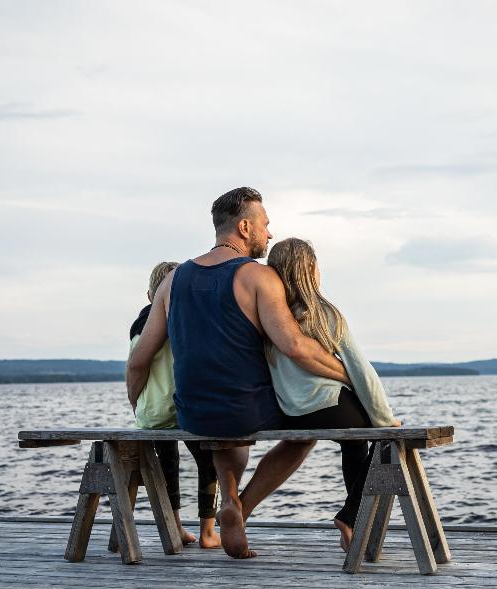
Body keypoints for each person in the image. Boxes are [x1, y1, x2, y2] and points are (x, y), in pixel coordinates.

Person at [126, 187, 350, 558]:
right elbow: (294, 346)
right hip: (248, 409)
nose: (270, 234)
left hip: (193, 412)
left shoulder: (172, 280)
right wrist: (346, 373)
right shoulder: (257, 278)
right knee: (303, 432)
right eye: (265, 224)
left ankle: (229, 498)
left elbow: (139, 361)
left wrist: (137, 405)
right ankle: (241, 507)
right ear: (245, 227)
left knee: (223, 432)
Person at [265, 238, 400, 551]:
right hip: (328, 403)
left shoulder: (271, 321)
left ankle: (354, 525)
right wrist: (385, 420)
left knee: (354, 445)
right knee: (390, 442)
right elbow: (362, 372)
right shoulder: (324, 314)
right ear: (311, 271)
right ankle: (350, 516)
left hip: (290, 413)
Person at [128, 261, 220, 549]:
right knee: (209, 461)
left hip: (151, 412)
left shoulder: (138, 324)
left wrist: (137, 405)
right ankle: (207, 531)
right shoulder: (186, 319)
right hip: (185, 409)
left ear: (149, 294)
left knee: (166, 465)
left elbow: (136, 368)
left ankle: (175, 527)